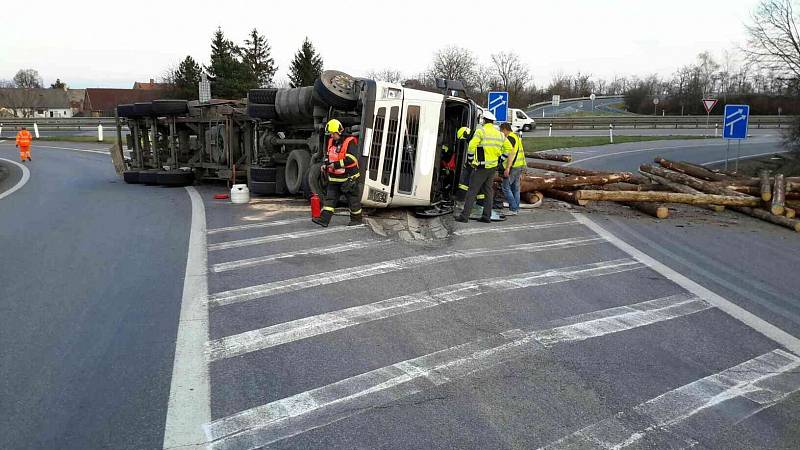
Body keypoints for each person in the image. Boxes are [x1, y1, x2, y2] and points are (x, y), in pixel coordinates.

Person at [455, 111, 507, 223]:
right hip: (492, 167)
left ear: (484, 120)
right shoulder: (500, 134)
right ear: (493, 122)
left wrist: (470, 160)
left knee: (472, 191)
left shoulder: (481, 131)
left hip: (481, 167)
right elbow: (507, 149)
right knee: (488, 191)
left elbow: (472, 146)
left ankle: (464, 216)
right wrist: (500, 160)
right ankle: (486, 216)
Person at [313, 119, 363, 227]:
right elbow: (328, 156)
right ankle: (323, 220)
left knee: (353, 201)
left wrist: (335, 165)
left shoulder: (350, 141)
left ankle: (357, 220)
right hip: (334, 178)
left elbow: (352, 159)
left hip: (349, 178)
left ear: (338, 132)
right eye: (330, 134)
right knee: (329, 200)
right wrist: (325, 165)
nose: (331, 136)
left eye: (332, 133)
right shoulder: (331, 141)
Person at [499, 123, 526, 215]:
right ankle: (516, 208)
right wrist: (523, 169)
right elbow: (521, 153)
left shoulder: (510, 138)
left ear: (505, 129)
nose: (501, 132)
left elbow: (510, 154)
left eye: (501, 130)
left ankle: (513, 208)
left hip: (512, 166)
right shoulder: (516, 137)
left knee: (505, 187)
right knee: (515, 188)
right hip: (519, 165)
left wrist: (507, 168)